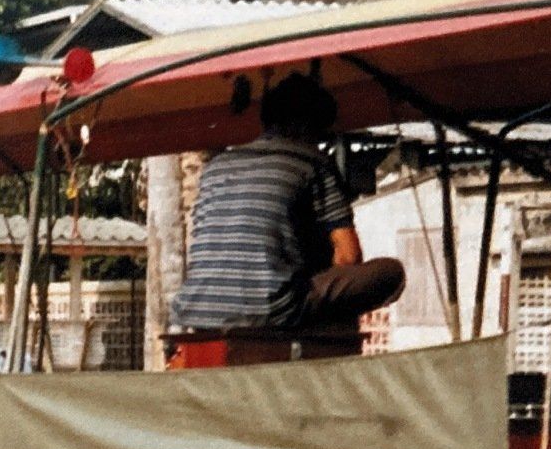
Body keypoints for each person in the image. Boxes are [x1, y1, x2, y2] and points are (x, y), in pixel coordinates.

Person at [170, 74, 405, 332]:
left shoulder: (216, 166)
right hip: (273, 308)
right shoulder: (311, 162)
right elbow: (349, 255)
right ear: (309, 126)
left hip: (197, 310)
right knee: (390, 273)